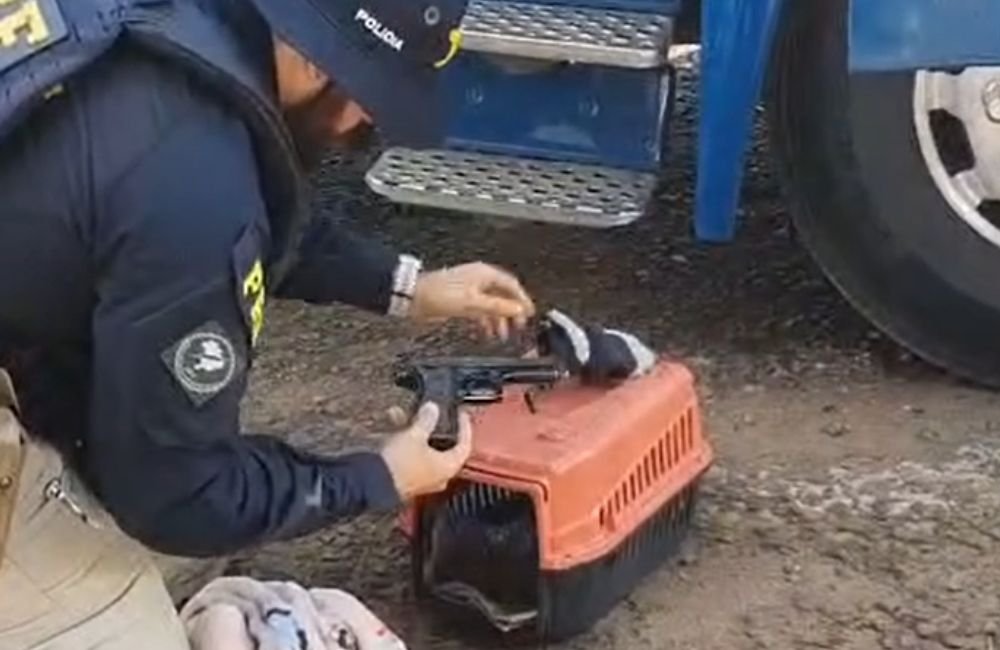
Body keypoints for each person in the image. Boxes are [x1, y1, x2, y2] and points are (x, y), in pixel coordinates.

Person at [0, 0, 537, 646]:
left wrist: (408, 286)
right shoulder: (192, 177)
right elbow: (176, 496)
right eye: (369, 97)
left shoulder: (173, 31)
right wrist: (376, 477)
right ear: (313, 58)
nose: (364, 125)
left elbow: (220, 208)